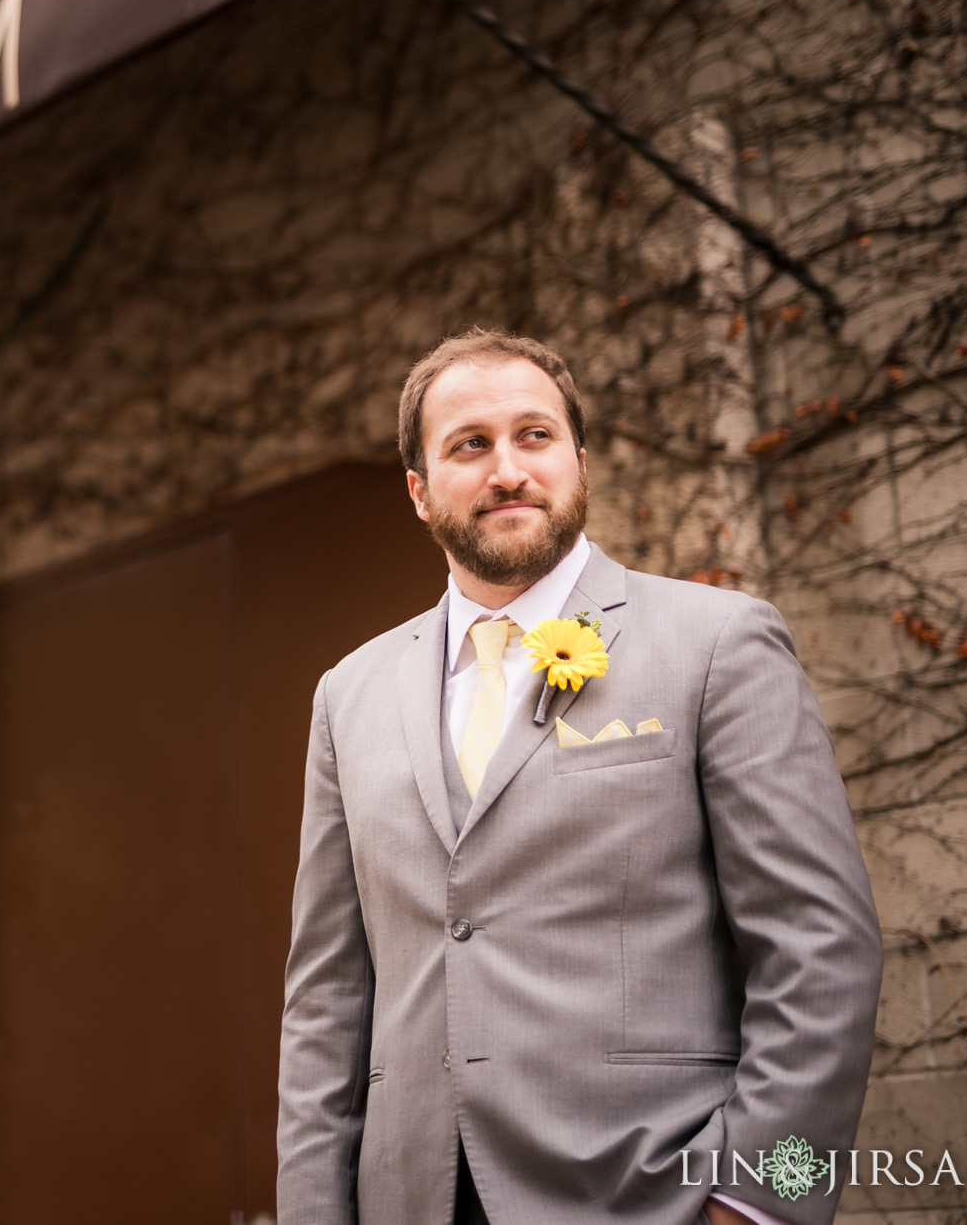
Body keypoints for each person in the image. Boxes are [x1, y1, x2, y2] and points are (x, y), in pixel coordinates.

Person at [276, 329, 883, 1225]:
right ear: (418, 490)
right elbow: (325, 1004)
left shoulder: (716, 644)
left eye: (535, 435)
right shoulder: (348, 695)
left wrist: (762, 1205)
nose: (508, 469)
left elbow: (823, 948)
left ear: (579, 461)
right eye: (469, 444)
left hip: (653, 1198)